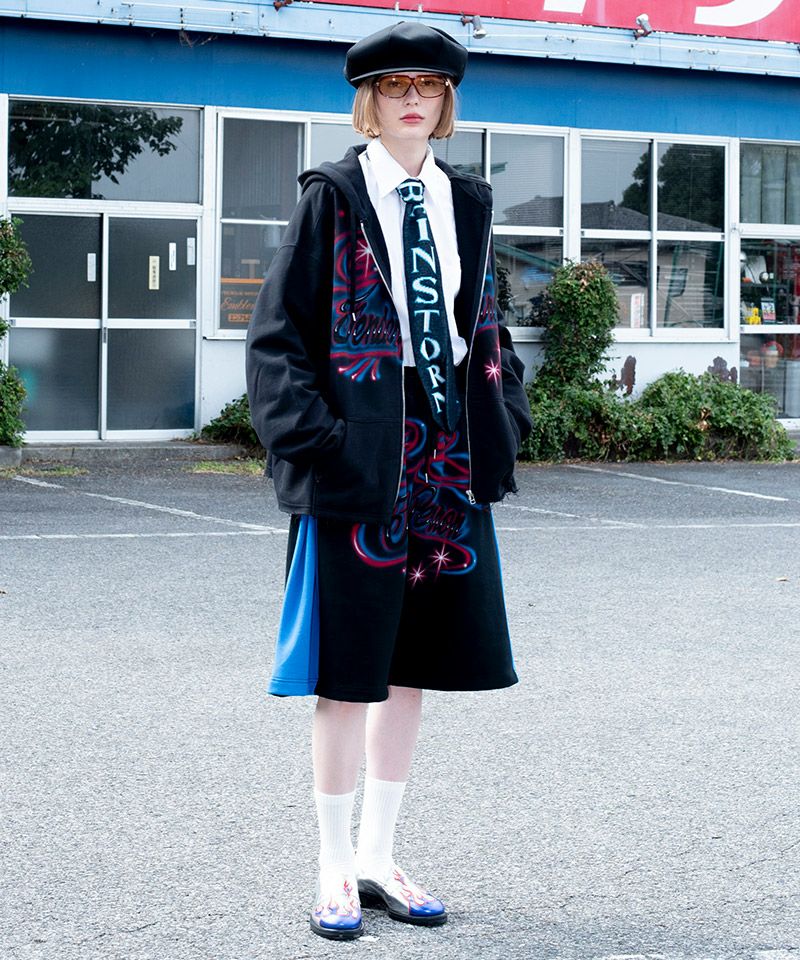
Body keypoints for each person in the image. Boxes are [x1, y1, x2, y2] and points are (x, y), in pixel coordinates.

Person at [245, 20, 532, 941]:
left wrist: (503, 422)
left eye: (430, 85)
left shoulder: (466, 200)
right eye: (396, 84)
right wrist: (322, 444)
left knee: (411, 668)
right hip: (359, 454)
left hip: (444, 452)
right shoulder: (331, 198)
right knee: (347, 672)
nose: (414, 98)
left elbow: (487, 325)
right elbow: (277, 340)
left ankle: (378, 854)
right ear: (369, 100)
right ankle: (332, 865)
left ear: (447, 102)